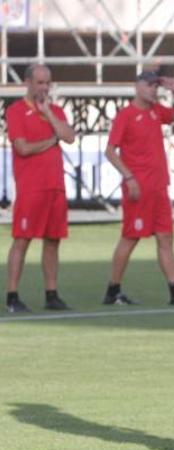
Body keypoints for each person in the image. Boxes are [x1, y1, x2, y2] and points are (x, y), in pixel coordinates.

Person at [103, 70, 174, 306]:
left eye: (155, 86)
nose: (153, 90)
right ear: (137, 86)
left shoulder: (157, 111)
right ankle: (112, 290)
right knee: (130, 237)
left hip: (159, 188)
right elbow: (110, 151)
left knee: (165, 238)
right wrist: (129, 177)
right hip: (138, 189)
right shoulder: (126, 115)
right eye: (149, 85)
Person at [5, 64, 76, 313]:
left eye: (47, 82)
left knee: (53, 242)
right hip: (31, 189)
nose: (44, 87)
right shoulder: (15, 112)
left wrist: (49, 115)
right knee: (22, 240)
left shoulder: (55, 111)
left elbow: (69, 136)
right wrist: (51, 141)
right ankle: (12, 295)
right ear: (28, 83)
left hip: (55, 187)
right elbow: (23, 148)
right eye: (40, 82)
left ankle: (51, 294)